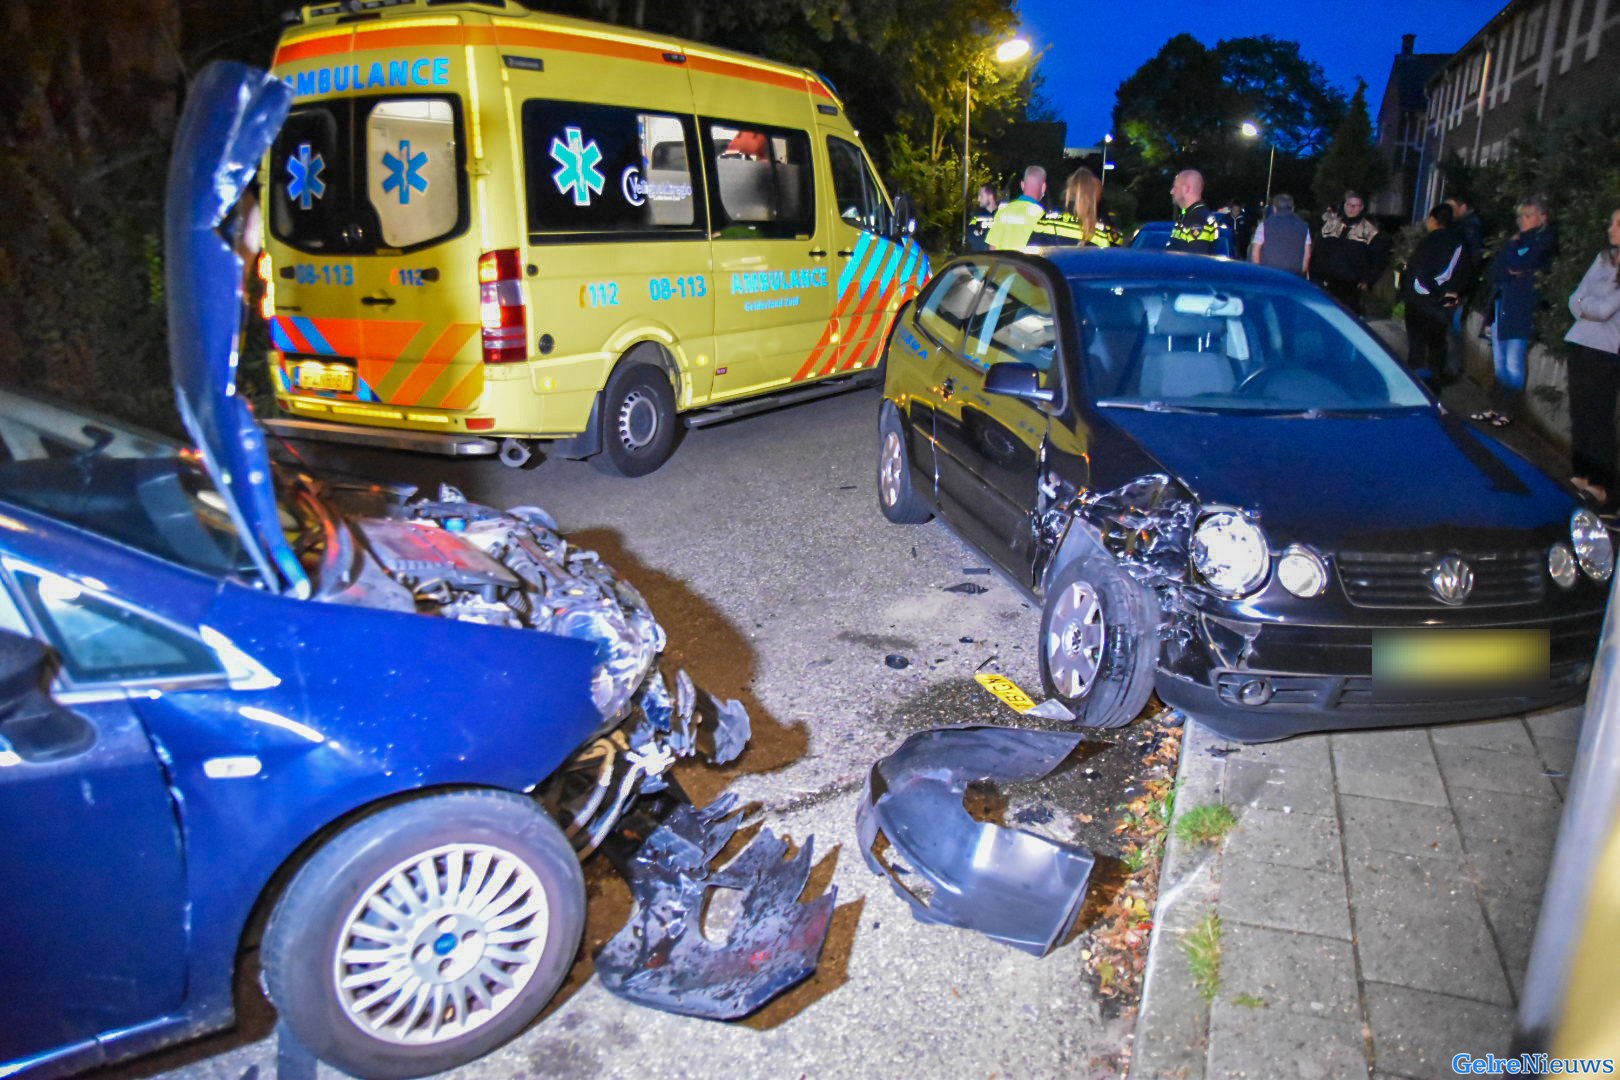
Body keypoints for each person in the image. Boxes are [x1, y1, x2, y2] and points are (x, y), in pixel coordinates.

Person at [1474, 196, 1557, 425]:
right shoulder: (1518, 241)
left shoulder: (1544, 242)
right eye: (1521, 216)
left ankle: (1506, 410)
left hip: (1522, 309)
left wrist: (1513, 259)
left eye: (1528, 216)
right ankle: (1496, 406)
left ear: (1542, 218)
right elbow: (1498, 270)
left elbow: (1519, 263)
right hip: (1502, 306)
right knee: (1500, 360)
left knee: (1513, 362)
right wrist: (1511, 265)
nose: (1522, 220)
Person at [1563, 208, 1620, 510]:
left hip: (1606, 349)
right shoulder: (1603, 258)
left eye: (1618, 223)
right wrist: (1585, 305)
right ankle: (1581, 473)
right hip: (1580, 342)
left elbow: (1606, 309)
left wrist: (1585, 305)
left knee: (1598, 417)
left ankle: (1600, 484)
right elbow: (1574, 298)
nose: (1611, 228)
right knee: (1580, 412)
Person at [1401, 203, 1465, 383]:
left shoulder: (1428, 241)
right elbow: (1462, 273)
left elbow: (1420, 272)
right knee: (1437, 344)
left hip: (1420, 299)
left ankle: (1416, 384)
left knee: (1417, 346)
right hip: (1443, 301)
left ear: (1433, 220)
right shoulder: (1458, 243)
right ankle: (1434, 383)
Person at [1314, 190, 1391, 315]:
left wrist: (1368, 280)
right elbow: (1318, 250)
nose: (1351, 209)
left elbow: (1379, 259)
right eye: (1349, 205)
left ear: (1361, 208)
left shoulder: (1369, 231)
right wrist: (1316, 275)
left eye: (1355, 206)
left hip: (1352, 286)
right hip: (1328, 282)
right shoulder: (1330, 225)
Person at [1444, 192, 1488, 380]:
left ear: (1462, 207)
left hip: (1459, 287)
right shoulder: (1460, 226)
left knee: (1453, 327)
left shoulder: (1469, 228)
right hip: (1454, 285)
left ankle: (1453, 368)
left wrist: (1460, 286)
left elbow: (1472, 260)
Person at [984, 165, 1049, 249]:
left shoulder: (1003, 210)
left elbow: (992, 248)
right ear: (1043, 187)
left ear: (1022, 185)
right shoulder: (1040, 215)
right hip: (1026, 258)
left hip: (1002, 258)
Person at [1055, 167, 1120, 248]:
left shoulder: (1055, 218)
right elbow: (1115, 245)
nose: (1100, 195)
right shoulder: (1102, 220)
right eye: (1099, 192)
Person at [1248, 193, 1311, 276]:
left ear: (1274, 208)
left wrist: (1259, 272)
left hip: (1268, 274)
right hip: (1293, 275)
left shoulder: (1264, 225)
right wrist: (1301, 272)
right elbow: (1307, 255)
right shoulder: (1304, 227)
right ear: (1293, 208)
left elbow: (1255, 252)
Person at [1167, 169, 1220, 253]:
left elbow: (1194, 258)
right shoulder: (1192, 214)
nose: (1171, 191)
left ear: (1186, 189)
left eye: (1175, 187)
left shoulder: (1197, 219)